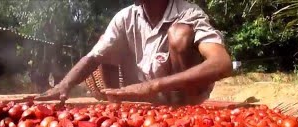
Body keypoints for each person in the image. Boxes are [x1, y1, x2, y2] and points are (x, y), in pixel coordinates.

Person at [35, 0, 232, 105]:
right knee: (105, 43)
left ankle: (183, 110)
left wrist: (151, 86)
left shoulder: (189, 13)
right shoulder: (125, 17)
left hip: (184, 98)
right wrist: (64, 85)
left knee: (180, 34)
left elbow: (221, 64)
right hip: (145, 99)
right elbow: (94, 57)